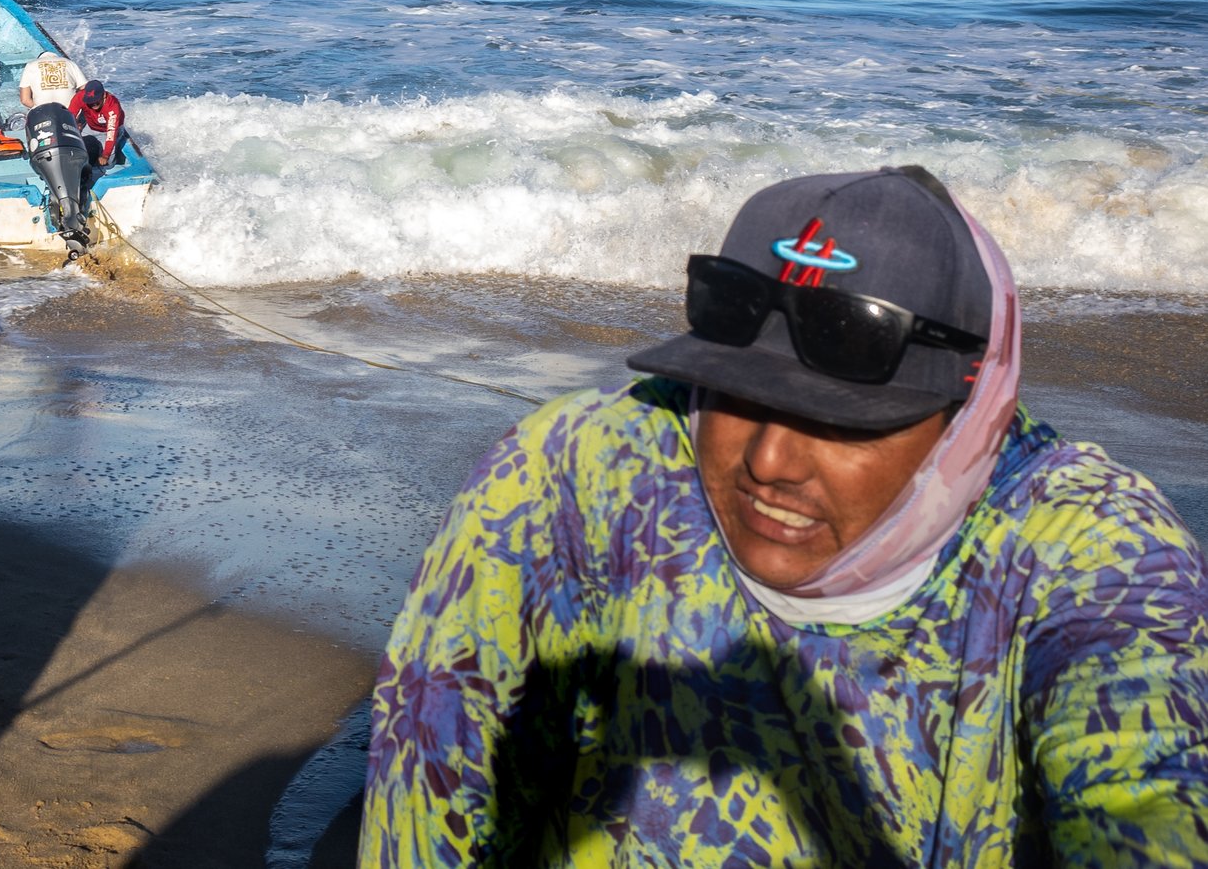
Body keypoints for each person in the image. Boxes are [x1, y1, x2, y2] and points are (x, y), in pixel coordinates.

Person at [360, 167, 1208, 866]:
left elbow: (1144, 793)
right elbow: (437, 757)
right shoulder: (580, 470)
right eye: (736, 393)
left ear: (970, 412)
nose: (768, 461)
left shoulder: (1092, 553)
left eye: (840, 421)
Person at [18, 52, 94, 245]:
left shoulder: (31, 65)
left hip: (45, 127)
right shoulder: (70, 63)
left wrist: (40, 109)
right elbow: (85, 92)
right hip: (69, 118)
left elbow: (25, 100)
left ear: (40, 57)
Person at [69, 77, 125, 169]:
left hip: (108, 132)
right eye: (90, 101)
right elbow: (70, 115)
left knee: (109, 162)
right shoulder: (80, 97)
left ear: (103, 96)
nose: (93, 104)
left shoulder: (113, 106)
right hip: (89, 125)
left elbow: (111, 133)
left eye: (96, 101)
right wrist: (74, 125)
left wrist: (105, 155)